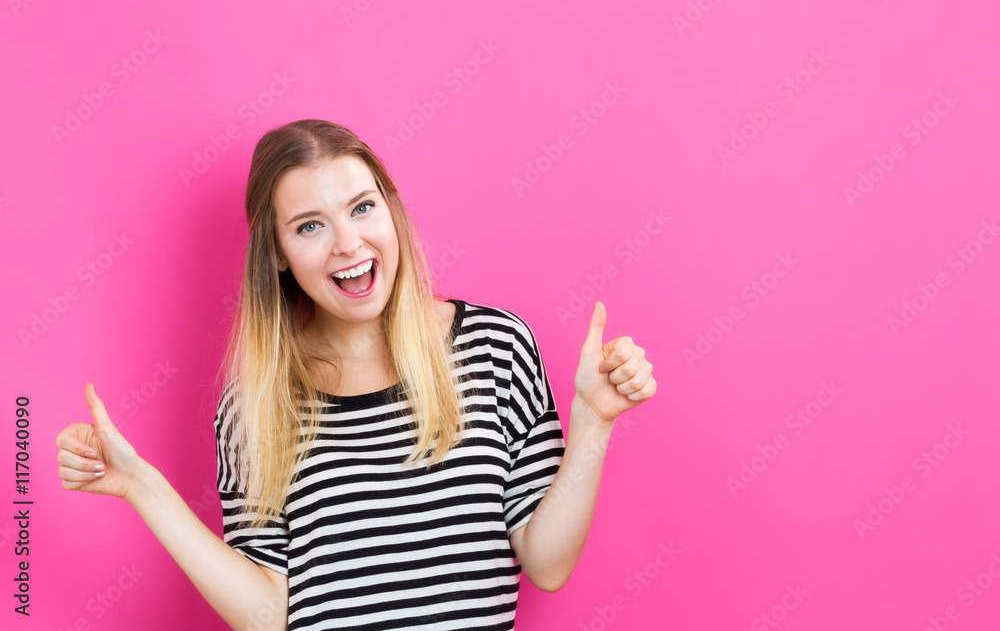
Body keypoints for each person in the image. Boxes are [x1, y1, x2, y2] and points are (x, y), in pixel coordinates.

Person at [55, 119, 656, 630]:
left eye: (362, 208)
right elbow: (268, 612)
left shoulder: (495, 347)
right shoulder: (255, 404)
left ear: (391, 211)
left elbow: (547, 563)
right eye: (309, 226)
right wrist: (143, 488)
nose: (348, 243)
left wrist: (594, 421)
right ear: (278, 254)